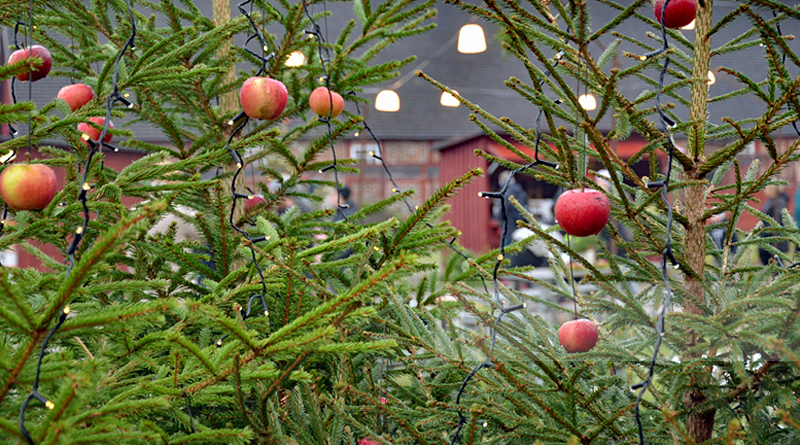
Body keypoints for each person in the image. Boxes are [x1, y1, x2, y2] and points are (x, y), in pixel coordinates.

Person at [759, 185, 790, 265]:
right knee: (766, 256)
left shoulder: (779, 202)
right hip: (767, 234)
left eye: (766, 189)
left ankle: (779, 275)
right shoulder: (770, 200)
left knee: (775, 258)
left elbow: (779, 219)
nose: (765, 191)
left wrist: (769, 229)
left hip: (774, 236)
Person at [497, 170, 529, 247]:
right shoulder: (521, 192)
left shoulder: (506, 193)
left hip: (509, 229)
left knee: (508, 252)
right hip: (522, 227)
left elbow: (502, 211)